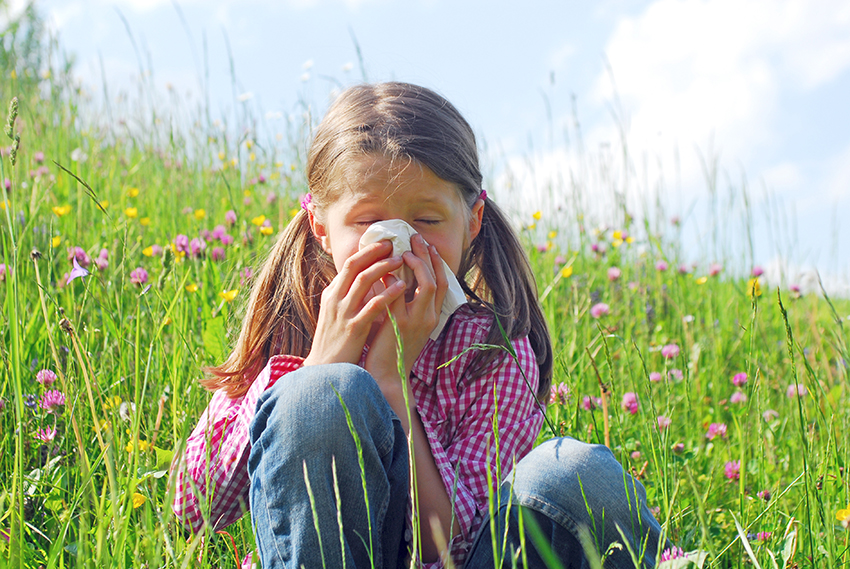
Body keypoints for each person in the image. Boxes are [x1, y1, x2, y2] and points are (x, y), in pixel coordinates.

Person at [171, 82, 666, 568]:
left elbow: (452, 547)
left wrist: (392, 381)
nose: (401, 244)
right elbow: (195, 508)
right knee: (322, 394)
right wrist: (319, 365)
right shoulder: (295, 324)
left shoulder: (491, 351)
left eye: (427, 221)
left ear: (472, 221)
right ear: (320, 226)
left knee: (578, 475)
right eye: (368, 222)